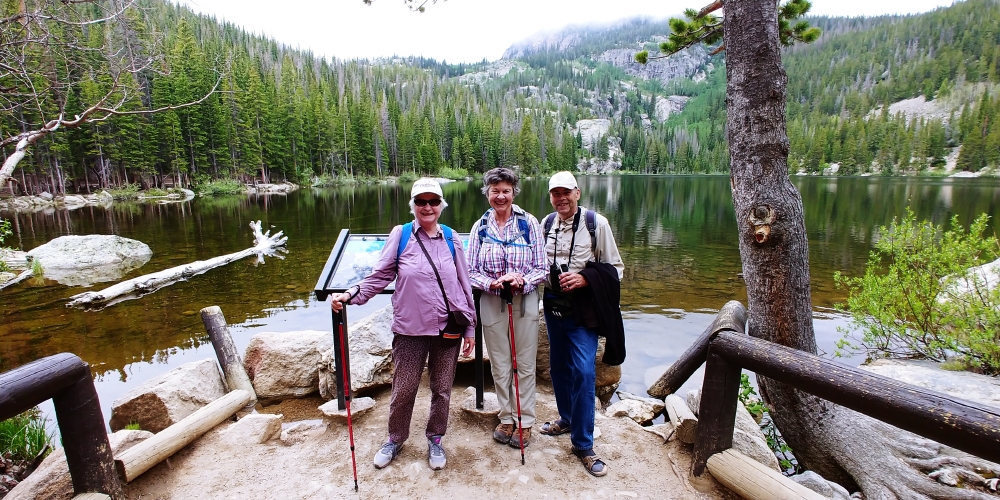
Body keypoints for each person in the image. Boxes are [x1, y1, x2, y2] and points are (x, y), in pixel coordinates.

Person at [330, 178, 476, 472]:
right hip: (410, 329)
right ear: (413, 205)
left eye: (433, 201)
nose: (427, 207)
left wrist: (470, 327)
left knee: (442, 389)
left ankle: (435, 438)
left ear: (441, 205)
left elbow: (464, 283)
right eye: (421, 201)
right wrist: (351, 294)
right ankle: (395, 439)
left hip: (447, 328)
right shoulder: (402, 234)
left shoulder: (451, 238)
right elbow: (380, 276)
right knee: (404, 389)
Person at [538, 171, 625, 478]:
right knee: (558, 368)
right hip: (552, 305)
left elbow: (616, 269)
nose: (561, 198)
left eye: (566, 192)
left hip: (583, 309)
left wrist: (585, 278)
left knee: (585, 372)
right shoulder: (546, 224)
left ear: (577, 192)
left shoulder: (595, 224)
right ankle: (567, 419)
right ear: (551, 197)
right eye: (555, 193)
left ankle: (583, 445)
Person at [466, 167, 547, 449]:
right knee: (500, 363)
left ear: (514, 193)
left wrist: (521, 279)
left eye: (506, 191)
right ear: (487, 193)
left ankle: (525, 420)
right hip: (492, 300)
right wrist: (491, 283)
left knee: (523, 363)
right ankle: (506, 416)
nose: (500, 196)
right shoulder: (480, 227)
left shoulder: (529, 223)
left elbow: (541, 267)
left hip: (524, 300)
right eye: (495, 191)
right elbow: (470, 270)